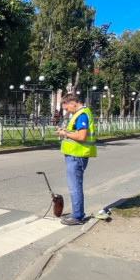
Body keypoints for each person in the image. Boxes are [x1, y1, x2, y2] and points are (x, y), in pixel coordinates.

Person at [56, 93, 97, 226]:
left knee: (75, 187)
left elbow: (81, 136)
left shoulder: (81, 115)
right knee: (74, 185)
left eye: (67, 108)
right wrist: (66, 131)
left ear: (73, 103)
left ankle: (78, 216)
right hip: (76, 155)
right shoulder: (81, 114)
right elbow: (78, 133)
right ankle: (77, 212)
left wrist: (65, 134)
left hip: (76, 156)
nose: (67, 111)